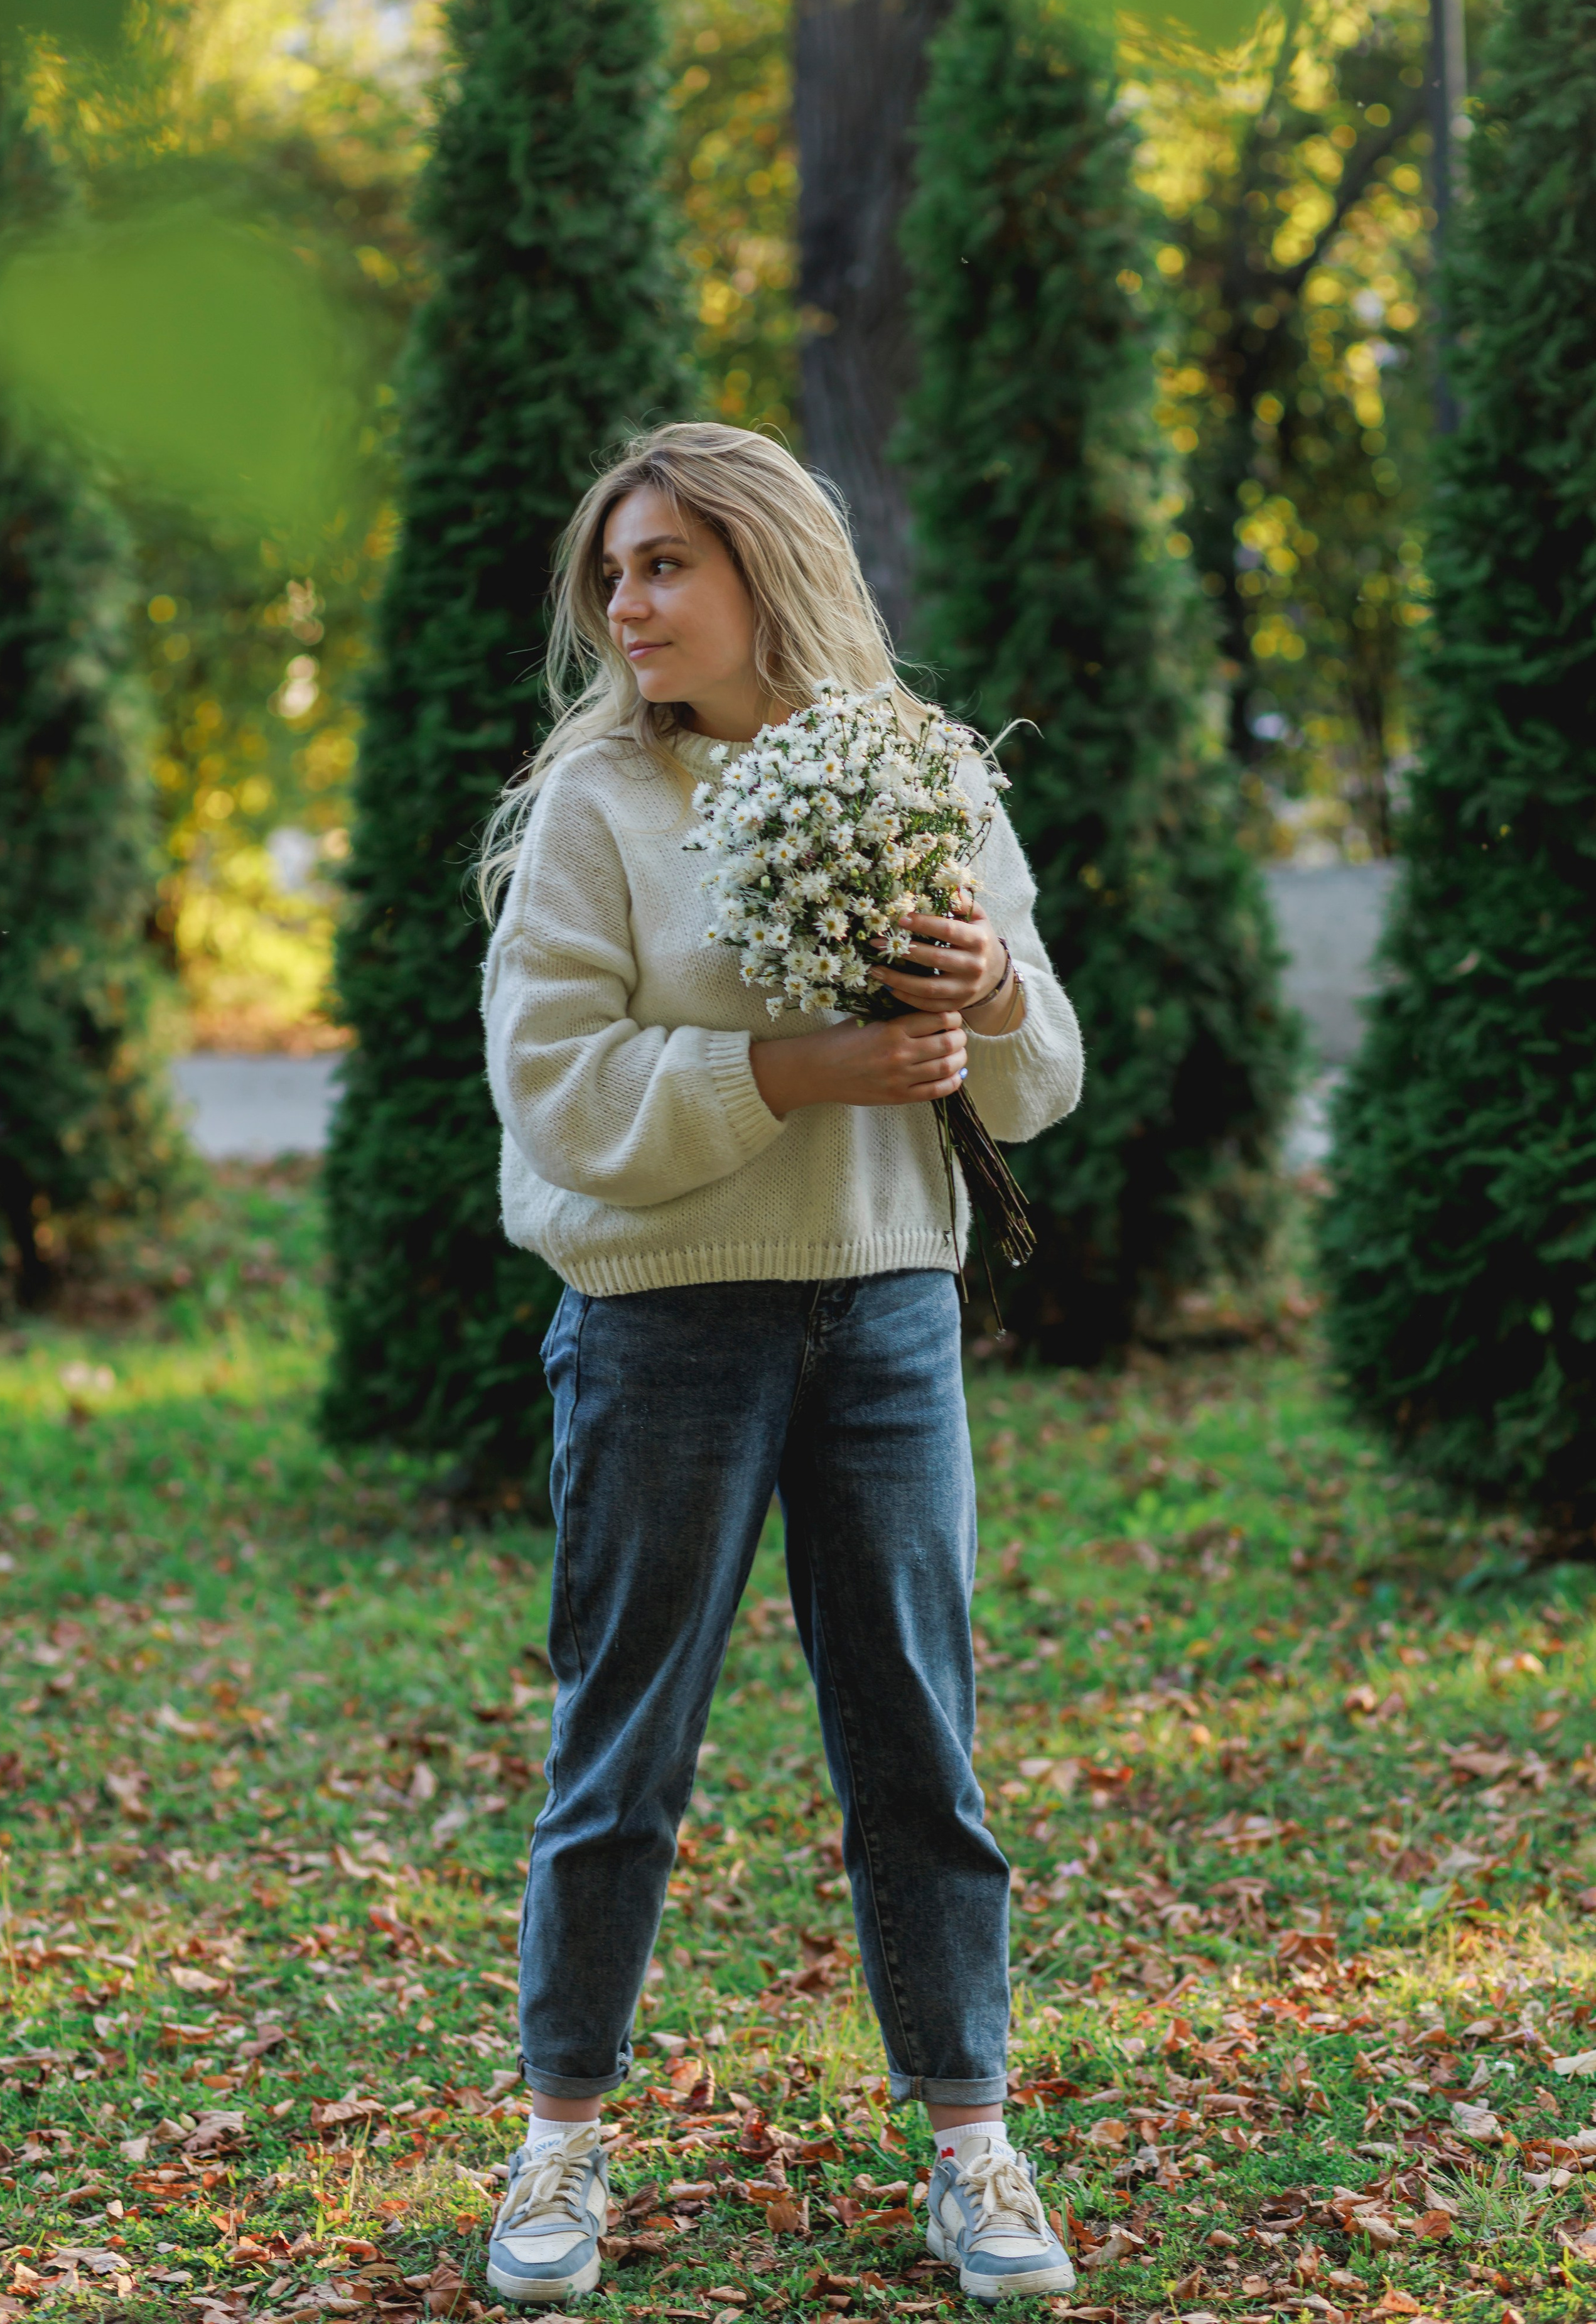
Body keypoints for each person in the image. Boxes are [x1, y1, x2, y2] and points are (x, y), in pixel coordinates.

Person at [478, 423, 1084, 2306]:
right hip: (663, 1320)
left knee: (919, 1742)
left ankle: (974, 2148)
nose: (625, 602)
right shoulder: (593, 806)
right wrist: (795, 1071)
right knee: (623, 1747)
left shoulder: (920, 772)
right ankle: (559, 2146)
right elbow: (555, 1100)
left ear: (766, 571)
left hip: (887, 1306)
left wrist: (985, 986)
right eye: (614, 570)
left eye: (665, 564)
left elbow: (1044, 1078)